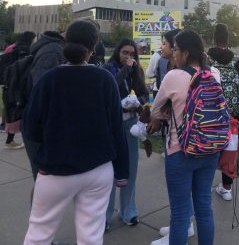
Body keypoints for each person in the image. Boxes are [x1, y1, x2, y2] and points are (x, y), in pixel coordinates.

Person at [22, 20, 129, 245]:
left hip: (56, 170)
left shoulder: (49, 79)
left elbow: (31, 128)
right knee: (91, 237)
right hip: (98, 169)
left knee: (39, 235)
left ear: (65, 42)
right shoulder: (105, 80)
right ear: (94, 47)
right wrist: (122, 172)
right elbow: (117, 130)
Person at [149, 29, 220, 245]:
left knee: (180, 215)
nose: (174, 54)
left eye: (176, 50)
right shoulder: (214, 74)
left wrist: (170, 112)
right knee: (204, 209)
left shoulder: (174, 76)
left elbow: (154, 111)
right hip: (209, 148)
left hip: (180, 151)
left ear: (186, 53)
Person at [103, 39, 148, 228]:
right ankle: (104, 217)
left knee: (130, 167)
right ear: (117, 52)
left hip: (131, 123)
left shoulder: (137, 70)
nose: (129, 57)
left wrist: (138, 101)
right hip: (113, 124)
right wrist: (126, 70)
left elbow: (144, 93)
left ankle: (128, 211)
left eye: (132, 54)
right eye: (125, 53)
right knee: (110, 171)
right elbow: (109, 87)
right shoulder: (108, 69)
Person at [207, 23, 239, 201]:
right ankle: (226, 188)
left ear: (214, 38)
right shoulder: (237, 61)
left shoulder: (206, 60)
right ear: (228, 39)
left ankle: (205, 183)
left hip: (209, 112)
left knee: (209, 149)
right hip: (231, 113)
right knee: (229, 150)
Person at [22, 31, 66, 179]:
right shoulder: (53, 51)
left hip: (41, 125)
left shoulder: (53, 48)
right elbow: (42, 90)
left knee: (45, 183)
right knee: (44, 182)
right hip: (41, 127)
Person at [2, 31, 36, 150]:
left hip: (9, 82)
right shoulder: (25, 50)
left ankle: (9, 138)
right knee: (18, 110)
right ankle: (10, 141)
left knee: (12, 109)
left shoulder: (13, 47)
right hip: (18, 84)